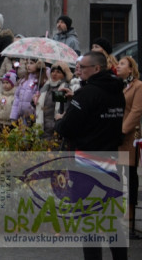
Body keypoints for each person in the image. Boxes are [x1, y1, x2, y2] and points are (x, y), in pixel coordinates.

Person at [55, 51, 127, 260]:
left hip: (87, 166)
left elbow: (68, 128)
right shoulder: (116, 91)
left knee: (90, 224)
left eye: (82, 67)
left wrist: (62, 119)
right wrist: (76, 99)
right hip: (110, 164)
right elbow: (99, 115)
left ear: (96, 68)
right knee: (112, 222)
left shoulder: (88, 93)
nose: (79, 71)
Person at [115, 56, 142, 238]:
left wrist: (123, 130)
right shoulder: (120, 86)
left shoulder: (138, 86)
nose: (118, 66)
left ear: (131, 69)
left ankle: (131, 214)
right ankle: (118, 211)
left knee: (129, 175)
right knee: (118, 174)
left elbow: (136, 111)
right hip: (117, 139)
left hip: (128, 137)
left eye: (122, 64)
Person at [34, 61, 71, 135]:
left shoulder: (62, 88)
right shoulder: (46, 86)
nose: (54, 74)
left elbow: (62, 109)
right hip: (41, 125)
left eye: (58, 72)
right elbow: (39, 106)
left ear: (64, 75)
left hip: (52, 127)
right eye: (53, 71)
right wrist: (34, 101)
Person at [9, 58, 43, 126]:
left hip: (33, 117)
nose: (28, 65)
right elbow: (17, 98)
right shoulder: (24, 80)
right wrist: (14, 116)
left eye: (31, 63)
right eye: (27, 63)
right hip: (22, 116)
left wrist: (42, 66)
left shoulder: (40, 80)